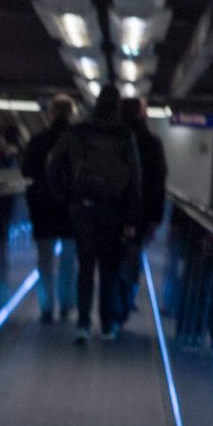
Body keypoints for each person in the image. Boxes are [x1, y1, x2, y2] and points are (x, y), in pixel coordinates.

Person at [47, 92, 142, 343]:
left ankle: (83, 323)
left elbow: (53, 167)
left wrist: (66, 198)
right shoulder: (124, 136)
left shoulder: (77, 132)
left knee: (85, 267)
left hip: (83, 208)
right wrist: (131, 218)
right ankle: (108, 323)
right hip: (113, 209)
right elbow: (135, 179)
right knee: (109, 268)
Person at [20, 96, 78, 322]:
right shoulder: (78, 141)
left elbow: (26, 171)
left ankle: (46, 307)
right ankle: (65, 304)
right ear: (71, 113)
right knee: (69, 258)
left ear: (51, 114)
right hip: (70, 207)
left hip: (43, 206)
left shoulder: (38, 140)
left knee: (44, 259)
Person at [117, 95, 169, 323]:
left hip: (112, 207)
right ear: (141, 113)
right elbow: (159, 179)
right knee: (133, 254)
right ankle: (127, 298)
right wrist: (156, 215)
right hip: (141, 210)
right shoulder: (151, 141)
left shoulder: (112, 138)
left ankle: (113, 303)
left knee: (111, 256)